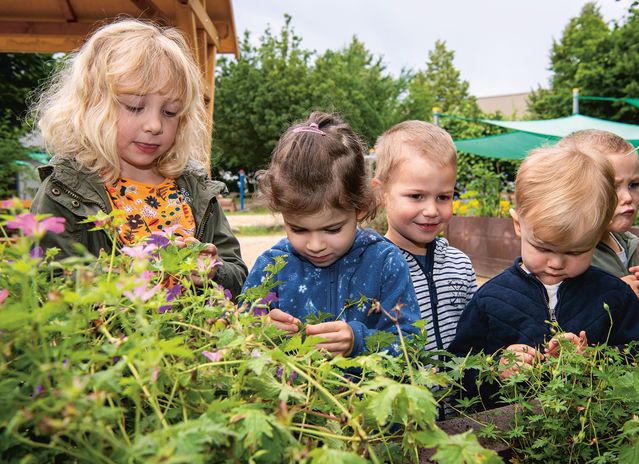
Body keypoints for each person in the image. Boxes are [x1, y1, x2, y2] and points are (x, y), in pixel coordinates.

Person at [29, 19, 247, 298]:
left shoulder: (195, 188)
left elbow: (239, 275)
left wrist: (214, 269)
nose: (155, 125)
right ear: (91, 105)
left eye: (170, 112)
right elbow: (47, 285)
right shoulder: (63, 191)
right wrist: (125, 273)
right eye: (135, 106)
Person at [449, 143, 639, 384]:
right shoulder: (490, 299)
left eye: (576, 251)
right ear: (518, 224)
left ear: (599, 234)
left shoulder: (616, 296)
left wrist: (593, 359)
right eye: (543, 248)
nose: (556, 263)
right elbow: (458, 372)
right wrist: (496, 369)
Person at [241, 112, 420, 358]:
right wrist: (260, 330)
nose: (315, 245)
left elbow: (412, 343)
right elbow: (237, 338)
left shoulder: (385, 262)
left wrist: (359, 341)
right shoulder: (272, 266)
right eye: (298, 229)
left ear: (361, 208)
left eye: (332, 229)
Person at [373, 120, 476, 352]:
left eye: (443, 197)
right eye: (417, 196)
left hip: (460, 388)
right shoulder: (373, 268)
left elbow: (477, 332)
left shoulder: (461, 264)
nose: (431, 210)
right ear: (382, 194)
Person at [558, 129, 639, 302]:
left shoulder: (623, 241)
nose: (628, 198)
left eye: (633, 184)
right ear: (572, 191)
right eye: (612, 187)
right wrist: (617, 292)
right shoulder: (569, 253)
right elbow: (566, 310)